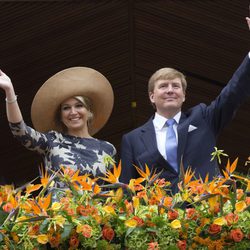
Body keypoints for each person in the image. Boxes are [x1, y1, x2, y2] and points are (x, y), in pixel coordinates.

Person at [120, 17, 250, 193]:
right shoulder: (133, 139)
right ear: (152, 96)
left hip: (207, 214)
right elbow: (127, 189)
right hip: (160, 218)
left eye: (176, 86)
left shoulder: (203, 118)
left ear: (184, 95)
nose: (170, 90)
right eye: (163, 86)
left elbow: (233, 93)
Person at [0, 66, 116, 194]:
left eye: (79, 105)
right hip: (58, 212)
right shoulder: (52, 140)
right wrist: (9, 92)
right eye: (66, 108)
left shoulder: (107, 149)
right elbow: (20, 131)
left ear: (89, 112)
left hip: (94, 213)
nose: (73, 112)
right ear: (60, 116)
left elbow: (113, 192)